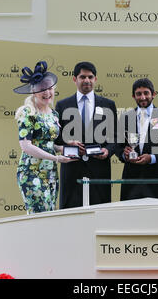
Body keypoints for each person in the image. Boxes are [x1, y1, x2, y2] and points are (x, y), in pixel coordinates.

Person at [13, 61, 76, 214]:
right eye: (42, 89)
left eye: (49, 88)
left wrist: (65, 148)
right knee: (38, 217)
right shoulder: (27, 113)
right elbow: (26, 146)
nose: (47, 92)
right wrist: (56, 158)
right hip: (32, 172)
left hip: (51, 173)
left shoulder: (54, 114)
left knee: (49, 216)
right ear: (34, 92)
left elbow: (48, 144)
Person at [55, 61, 117, 209]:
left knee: (100, 215)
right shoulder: (62, 105)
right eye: (82, 77)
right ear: (74, 79)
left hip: (99, 171)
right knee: (70, 217)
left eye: (90, 77)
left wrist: (108, 150)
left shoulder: (108, 104)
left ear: (95, 79)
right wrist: (68, 144)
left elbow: (115, 136)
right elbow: (56, 139)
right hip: (71, 171)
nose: (87, 80)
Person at [115, 78, 158, 201]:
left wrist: (152, 158)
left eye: (146, 93)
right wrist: (124, 154)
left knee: (157, 218)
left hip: (157, 180)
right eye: (139, 94)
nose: (143, 97)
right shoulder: (125, 118)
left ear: (153, 94)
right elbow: (118, 146)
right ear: (133, 96)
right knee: (130, 218)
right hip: (131, 180)